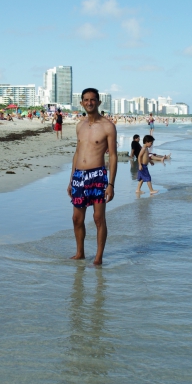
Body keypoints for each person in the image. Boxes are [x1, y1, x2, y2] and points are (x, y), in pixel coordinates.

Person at [68, 88, 117, 266]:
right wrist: (71, 179)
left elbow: (113, 156)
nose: (89, 103)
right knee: (76, 219)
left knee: (98, 218)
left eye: (92, 100)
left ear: (98, 102)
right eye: (86, 100)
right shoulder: (79, 125)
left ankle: (98, 257)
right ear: (81, 102)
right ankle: (80, 252)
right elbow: (77, 152)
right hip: (79, 176)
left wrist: (111, 183)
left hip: (98, 175)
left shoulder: (108, 126)